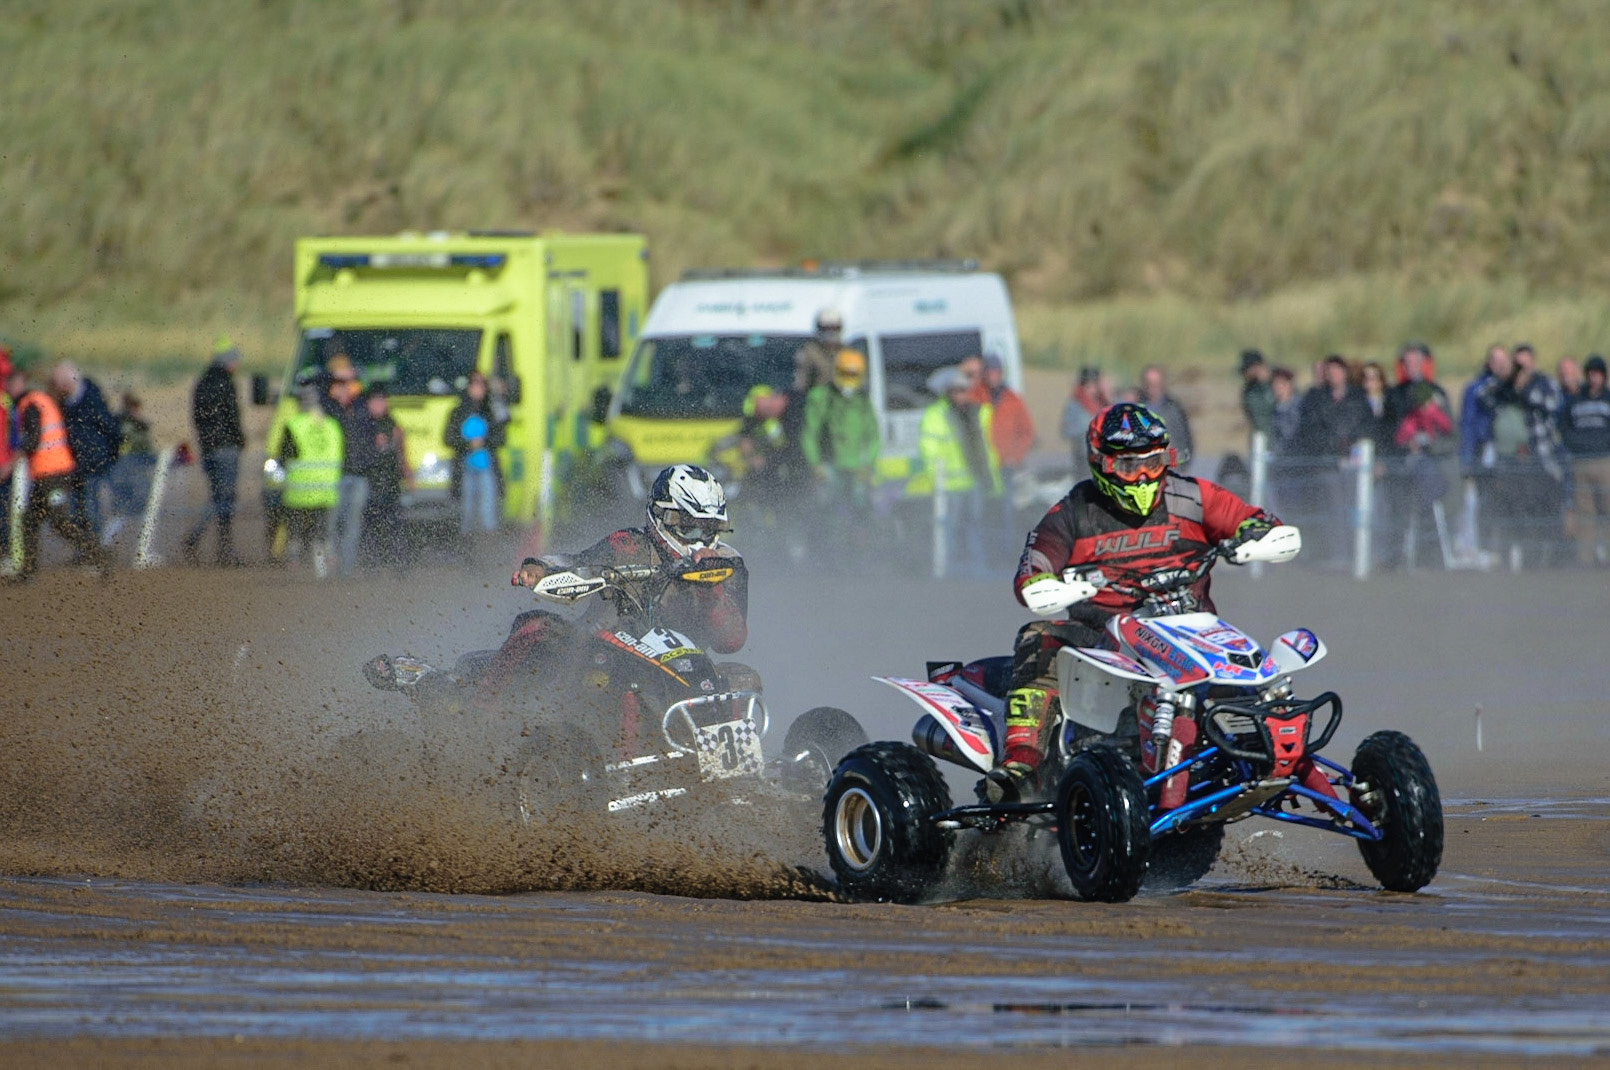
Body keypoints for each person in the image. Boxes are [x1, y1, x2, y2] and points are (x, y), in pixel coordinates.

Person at [985, 402, 1283, 802]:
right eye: (1129, 467)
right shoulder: (1073, 513)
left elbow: (1255, 521)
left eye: (1154, 461)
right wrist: (1048, 585)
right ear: (1102, 464)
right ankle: (1022, 764)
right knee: (1040, 637)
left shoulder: (1193, 497)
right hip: (1104, 642)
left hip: (1192, 635)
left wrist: (1255, 534)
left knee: (1269, 682)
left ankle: (1286, 757)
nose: (1143, 476)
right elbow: (1032, 570)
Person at [366, 464, 748, 711]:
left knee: (741, 678)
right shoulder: (629, 545)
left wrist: (709, 587)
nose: (701, 542)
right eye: (691, 528)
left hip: (677, 669)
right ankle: (476, 716)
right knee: (535, 625)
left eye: (710, 531)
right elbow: (580, 563)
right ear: (663, 517)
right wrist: (540, 567)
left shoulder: (726, 564)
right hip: (598, 653)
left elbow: (731, 640)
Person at [5, 362, 109, 580]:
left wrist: (10, 462)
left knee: (60, 522)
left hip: (53, 474)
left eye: (10, 382)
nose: (7, 387)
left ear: (21, 382)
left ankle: (97, 554)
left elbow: (32, 441)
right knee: (31, 520)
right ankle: (27, 571)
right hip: (49, 474)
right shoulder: (39, 401)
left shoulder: (30, 404)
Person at [1475, 343, 1565, 566]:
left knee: (1537, 510)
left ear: (1533, 362)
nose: (1521, 368)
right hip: (1508, 460)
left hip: (1538, 458)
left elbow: (1551, 405)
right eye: (1517, 364)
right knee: (1510, 508)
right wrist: (1505, 379)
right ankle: (1509, 557)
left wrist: (1523, 391)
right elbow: (1482, 395)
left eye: (1525, 363)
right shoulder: (1504, 385)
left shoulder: (1544, 383)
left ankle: (1537, 559)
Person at [919, 366, 1001, 577]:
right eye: (956, 391)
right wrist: (935, 480)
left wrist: (992, 480)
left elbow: (990, 447)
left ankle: (977, 566)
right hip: (949, 485)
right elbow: (929, 450)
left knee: (975, 525)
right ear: (949, 393)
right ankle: (946, 568)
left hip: (974, 481)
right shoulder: (936, 415)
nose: (960, 395)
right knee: (949, 528)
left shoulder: (979, 413)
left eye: (964, 390)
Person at [801, 348, 880, 538]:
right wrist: (816, 464)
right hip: (829, 467)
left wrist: (867, 463)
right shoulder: (820, 397)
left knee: (863, 508)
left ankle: (861, 544)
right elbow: (809, 434)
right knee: (828, 509)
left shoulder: (862, 401)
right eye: (845, 374)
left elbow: (873, 436)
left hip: (856, 468)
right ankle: (827, 546)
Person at [183, 336, 247, 566]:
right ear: (228, 362)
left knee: (217, 496)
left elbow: (197, 417)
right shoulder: (226, 383)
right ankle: (219, 548)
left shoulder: (202, 382)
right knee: (225, 499)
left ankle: (208, 543)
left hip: (208, 448)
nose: (238, 364)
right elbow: (232, 415)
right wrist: (240, 439)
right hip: (226, 448)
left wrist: (205, 442)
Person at [51, 361, 121, 547]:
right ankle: (85, 552)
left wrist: (108, 456)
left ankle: (96, 553)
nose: (56, 387)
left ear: (67, 382)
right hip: (74, 466)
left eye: (57, 382)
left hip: (93, 464)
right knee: (75, 512)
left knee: (91, 511)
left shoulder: (92, 399)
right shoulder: (65, 404)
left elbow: (111, 430)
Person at [279, 385, 343, 579]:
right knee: (323, 533)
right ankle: (324, 568)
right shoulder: (332, 425)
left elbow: (285, 457)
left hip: (299, 490)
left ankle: (294, 566)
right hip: (326, 490)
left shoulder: (293, 425)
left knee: (296, 533)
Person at [321, 354, 372, 577]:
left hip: (359, 473)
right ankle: (329, 566)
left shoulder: (361, 404)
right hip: (335, 475)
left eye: (347, 382)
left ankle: (346, 568)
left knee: (353, 523)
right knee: (332, 523)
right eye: (339, 383)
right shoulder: (327, 406)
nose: (345, 388)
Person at [445, 371, 506, 543]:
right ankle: (467, 544)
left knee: (488, 509)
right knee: (467, 509)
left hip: (487, 467)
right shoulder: (458, 412)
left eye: (481, 385)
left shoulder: (491, 411)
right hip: (465, 467)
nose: (477, 389)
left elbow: (501, 437)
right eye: (474, 384)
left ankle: (488, 544)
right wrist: (468, 444)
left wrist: (483, 442)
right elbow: (448, 438)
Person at [1561, 354, 1610, 566]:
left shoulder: (1608, 399)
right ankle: (1585, 559)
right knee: (1585, 512)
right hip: (1580, 462)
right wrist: (1578, 445)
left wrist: (1601, 444)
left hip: (1605, 461)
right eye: (1590, 374)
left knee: (1608, 509)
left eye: (1597, 374)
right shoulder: (1574, 400)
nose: (1593, 378)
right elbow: (1564, 428)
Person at [359, 383, 410, 572]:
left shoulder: (392, 424)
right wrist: (374, 448)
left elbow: (401, 453)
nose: (379, 405)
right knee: (371, 527)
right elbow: (359, 454)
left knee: (395, 526)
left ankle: (400, 565)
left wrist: (408, 475)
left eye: (381, 401)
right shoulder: (364, 425)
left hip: (390, 483)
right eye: (375, 401)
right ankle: (372, 565)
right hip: (371, 483)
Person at [104, 392, 157, 546]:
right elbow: (139, 451)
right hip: (130, 475)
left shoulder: (120, 424)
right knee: (133, 512)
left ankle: (107, 545)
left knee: (122, 513)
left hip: (124, 475)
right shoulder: (129, 428)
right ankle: (142, 548)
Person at [1137, 365, 1193, 465]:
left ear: (1162, 384)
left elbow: (1186, 440)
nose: (1152, 388)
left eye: (1156, 384)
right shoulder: (1136, 409)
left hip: (1171, 469)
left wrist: (1182, 466)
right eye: (1149, 384)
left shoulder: (1174, 410)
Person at [1061, 367, 1110, 467]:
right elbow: (1066, 430)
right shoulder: (1074, 406)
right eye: (1088, 385)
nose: (1092, 389)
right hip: (1084, 456)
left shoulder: (1103, 403)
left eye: (1094, 385)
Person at [1239, 349, 1275, 440]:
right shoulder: (1249, 391)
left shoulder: (1276, 384)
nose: (1244, 373)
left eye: (1247, 369)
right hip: (1260, 438)